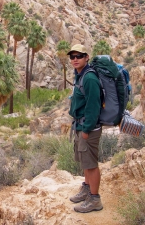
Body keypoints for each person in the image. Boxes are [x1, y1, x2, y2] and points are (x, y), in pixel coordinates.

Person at [67, 44, 103, 213]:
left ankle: (95, 199)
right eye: (72, 57)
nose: (75, 59)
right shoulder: (80, 75)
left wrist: (87, 129)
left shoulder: (89, 78)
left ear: (86, 57)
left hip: (88, 128)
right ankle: (87, 189)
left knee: (91, 164)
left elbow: (93, 106)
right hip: (80, 126)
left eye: (78, 56)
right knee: (84, 161)